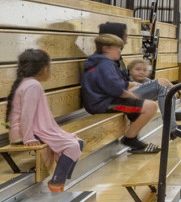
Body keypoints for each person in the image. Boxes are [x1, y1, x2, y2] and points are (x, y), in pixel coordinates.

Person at [8, 49, 83, 191]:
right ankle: (56, 183)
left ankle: (60, 181)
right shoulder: (32, 85)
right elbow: (26, 114)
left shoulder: (30, 83)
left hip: (31, 130)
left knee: (78, 142)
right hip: (26, 132)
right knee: (72, 146)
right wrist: (28, 137)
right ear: (43, 69)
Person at [81, 33, 159, 154]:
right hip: (104, 104)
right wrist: (133, 96)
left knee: (142, 103)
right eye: (117, 48)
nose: (119, 51)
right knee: (150, 106)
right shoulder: (105, 64)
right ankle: (130, 139)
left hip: (101, 101)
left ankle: (133, 136)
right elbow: (116, 89)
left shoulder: (98, 62)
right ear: (106, 48)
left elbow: (114, 85)